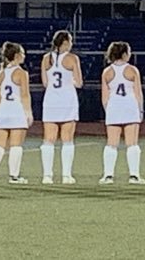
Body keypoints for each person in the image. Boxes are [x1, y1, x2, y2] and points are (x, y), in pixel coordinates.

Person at [0, 43, 33, 184]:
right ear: (16, 56)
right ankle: (14, 176)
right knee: (16, 145)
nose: (24, 56)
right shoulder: (21, 73)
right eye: (22, 53)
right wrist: (28, 113)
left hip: (3, 110)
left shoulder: (1, 73)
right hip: (16, 110)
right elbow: (24, 95)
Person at [41, 30, 85, 185]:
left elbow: (45, 83)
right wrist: (70, 81)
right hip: (67, 100)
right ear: (65, 43)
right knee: (67, 139)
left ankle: (47, 176)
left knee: (49, 139)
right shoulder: (73, 58)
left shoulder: (46, 58)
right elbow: (79, 82)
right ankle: (66, 175)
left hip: (51, 100)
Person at [100, 41, 145, 184]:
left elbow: (104, 96)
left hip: (114, 107)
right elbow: (138, 93)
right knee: (132, 143)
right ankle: (134, 176)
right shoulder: (132, 70)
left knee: (111, 143)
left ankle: (108, 176)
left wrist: (108, 110)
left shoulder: (107, 72)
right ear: (125, 54)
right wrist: (140, 109)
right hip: (130, 107)